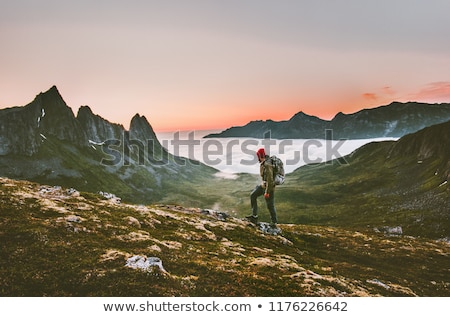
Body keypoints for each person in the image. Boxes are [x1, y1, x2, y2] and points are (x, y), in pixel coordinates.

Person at [246, 148, 278, 228]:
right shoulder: (264, 163)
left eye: (258, 156)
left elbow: (270, 180)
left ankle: (274, 222)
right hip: (263, 185)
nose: (257, 158)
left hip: (269, 188)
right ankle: (254, 216)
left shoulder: (267, 165)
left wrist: (267, 192)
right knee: (253, 195)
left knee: (270, 205)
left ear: (260, 156)